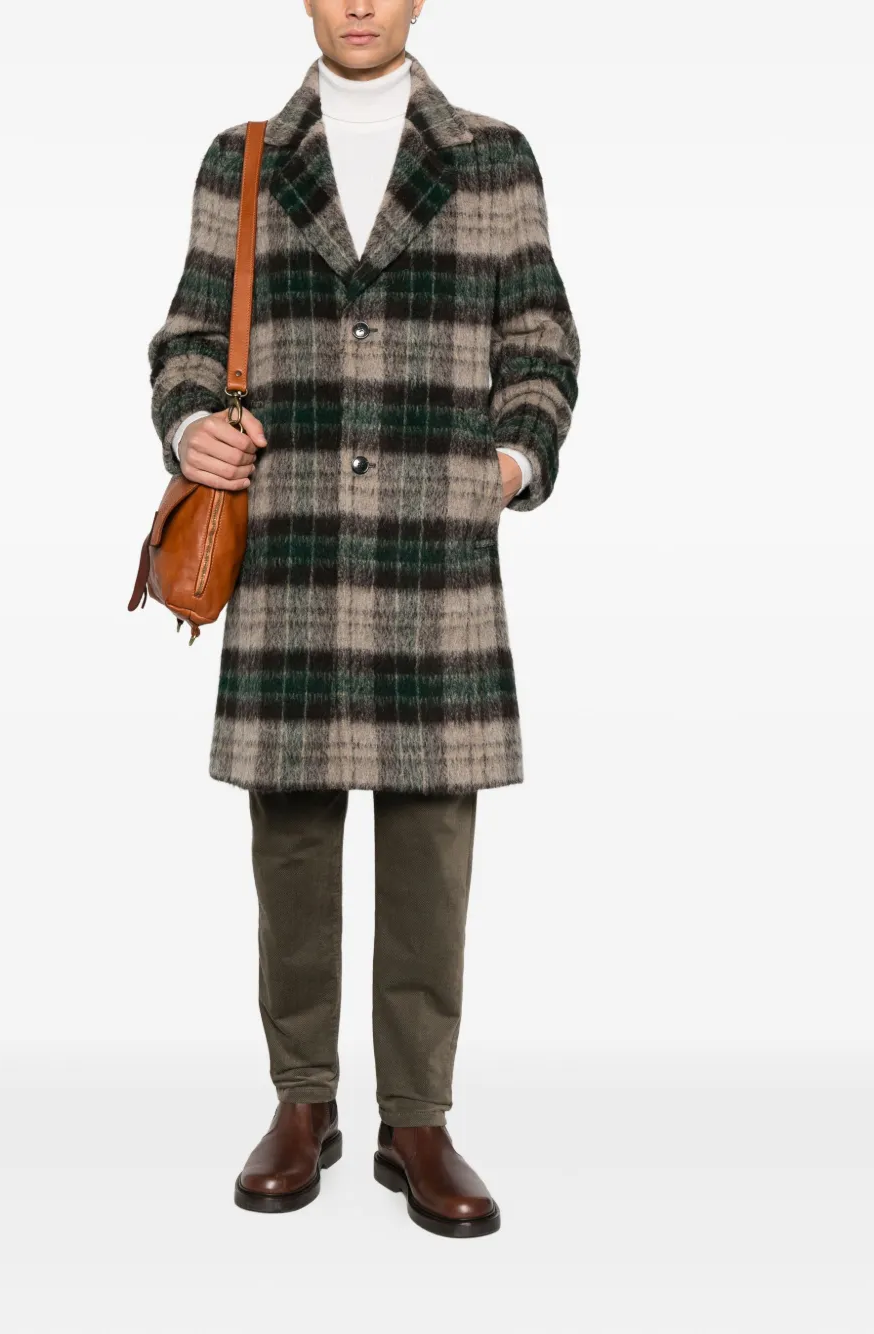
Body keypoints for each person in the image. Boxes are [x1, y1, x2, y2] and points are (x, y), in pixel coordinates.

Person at [146, 0, 580, 1239]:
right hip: (288, 537)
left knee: (431, 841)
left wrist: (508, 462)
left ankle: (416, 1117)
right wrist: (194, 424)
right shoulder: (239, 158)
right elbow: (188, 335)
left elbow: (540, 337)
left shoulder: (492, 156)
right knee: (289, 839)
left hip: (434, 541)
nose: (357, 3)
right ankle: (302, 1100)